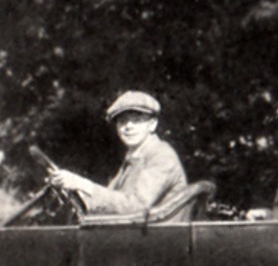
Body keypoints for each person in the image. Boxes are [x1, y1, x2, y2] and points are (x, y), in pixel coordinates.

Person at [48, 91, 187, 215]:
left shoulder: (161, 155)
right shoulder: (134, 158)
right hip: (137, 235)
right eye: (122, 121)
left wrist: (84, 185)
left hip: (157, 239)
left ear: (152, 124)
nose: (129, 126)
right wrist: (77, 191)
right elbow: (112, 199)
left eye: (137, 120)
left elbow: (136, 206)